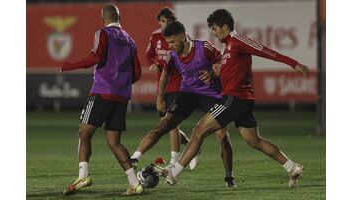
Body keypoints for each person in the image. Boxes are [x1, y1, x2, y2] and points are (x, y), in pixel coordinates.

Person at [162, 9, 309, 188]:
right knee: (255, 141)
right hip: (241, 100)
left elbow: (266, 51)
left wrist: (293, 63)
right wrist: (215, 74)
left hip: (235, 99)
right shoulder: (228, 46)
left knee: (199, 131)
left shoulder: (238, 41)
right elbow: (232, 72)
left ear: (225, 26)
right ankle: (292, 167)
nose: (213, 33)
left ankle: (174, 172)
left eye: (215, 29)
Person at [131, 20, 237, 187]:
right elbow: (165, 74)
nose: (170, 46)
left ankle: (229, 176)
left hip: (212, 95)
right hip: (187, 94)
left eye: (172, 42)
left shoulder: (204, 48)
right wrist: (159, 98)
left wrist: (212, 72)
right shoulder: (172, 56)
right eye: (168, 43)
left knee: (222, 135)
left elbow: (224, 62)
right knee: (164, 125)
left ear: (183, 37)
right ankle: (135, 157)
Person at [60, 5, 143, 196]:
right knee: (114, 142)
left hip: (102, 92)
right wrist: (121, 84)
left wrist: (70, 65)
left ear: (102, 19)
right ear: (119, 17)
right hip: (122, 96)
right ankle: (134, 182)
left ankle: (83, 176)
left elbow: (95, 56)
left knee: (84, 132)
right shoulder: (130, 40)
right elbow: (137, 73)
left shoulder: (102, 33)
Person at [143, 7, 200, 170]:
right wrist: (153, 63)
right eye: (162, 21)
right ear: (159, 22)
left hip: (178, 84)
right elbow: (148, 54)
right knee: (165, 125)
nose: (165, 24)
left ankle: (174, 161)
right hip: (163, 84)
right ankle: (192, 146)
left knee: (171, 124)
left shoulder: (182, 37)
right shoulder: (155, 36)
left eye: (168, 21)